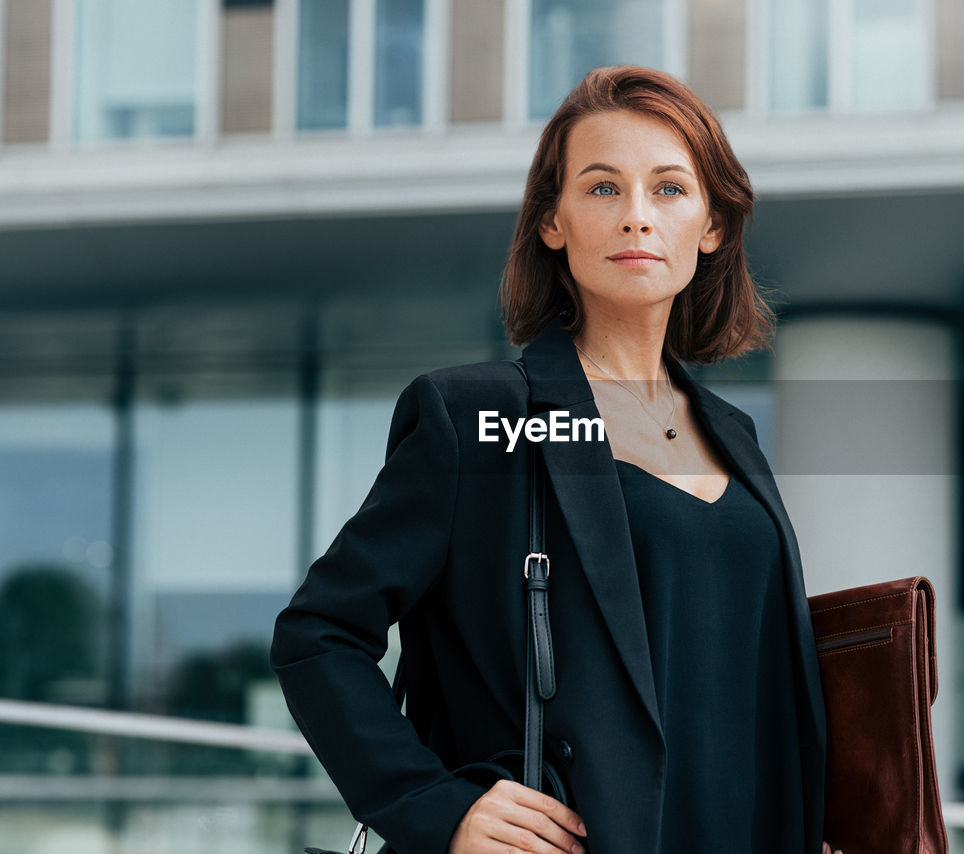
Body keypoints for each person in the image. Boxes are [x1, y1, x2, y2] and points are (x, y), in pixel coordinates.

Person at [271, 65, 842, 854]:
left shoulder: (733, 435)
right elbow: (318, 634)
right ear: (552, 221)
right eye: (603, 189)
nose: (637, 218)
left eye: (670, 189)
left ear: (713, 224)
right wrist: (437, 806)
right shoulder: (481, 418)